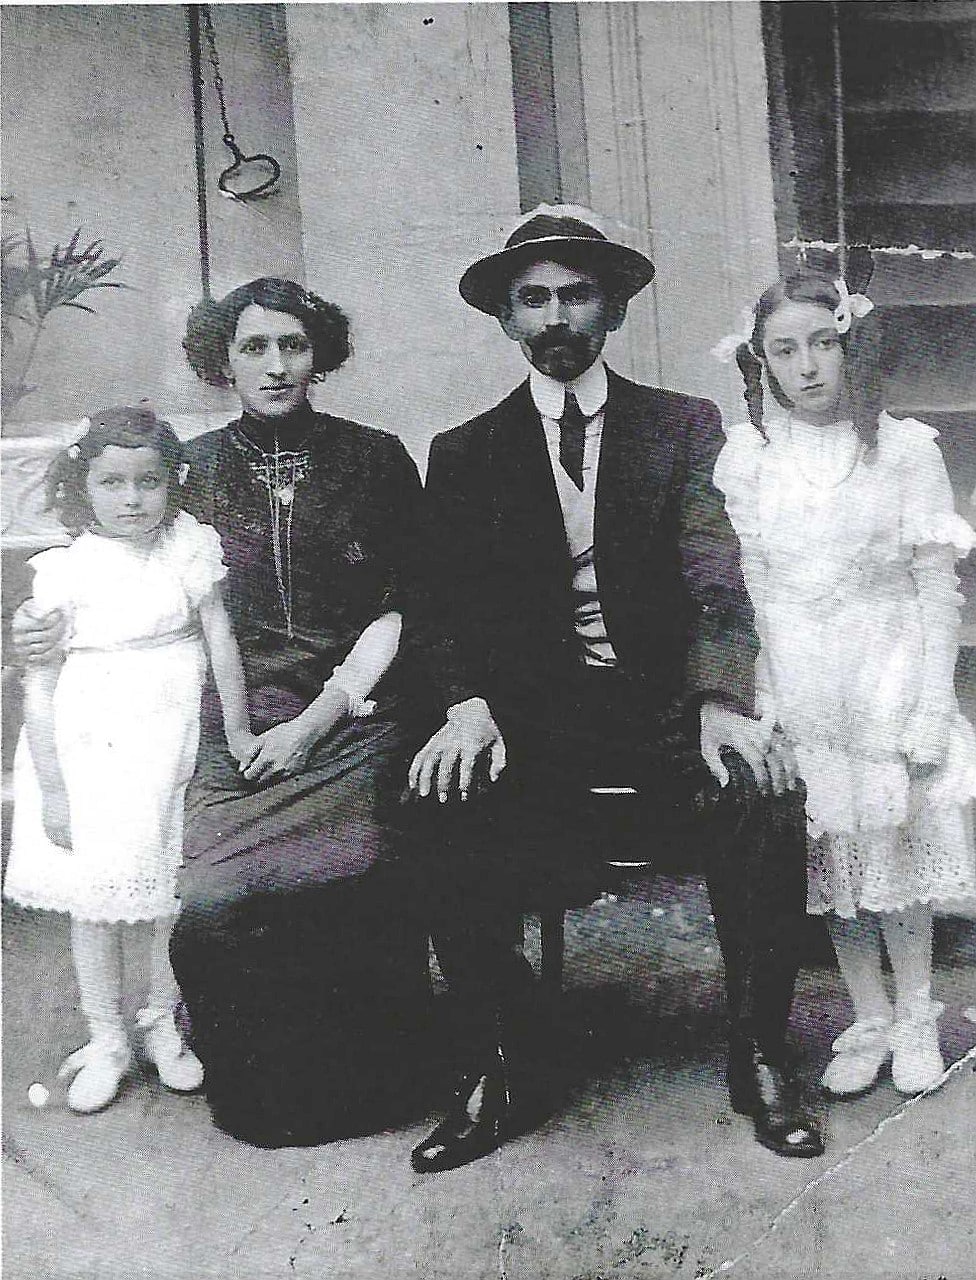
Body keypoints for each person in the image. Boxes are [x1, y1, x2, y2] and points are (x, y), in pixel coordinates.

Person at [406, 205, 824, 1173]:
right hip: (532, 718)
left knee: (765, 786)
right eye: (534, 298)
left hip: (661, 707)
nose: (556, 315)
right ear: (507, 320)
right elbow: (439, 606)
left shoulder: (681, 427)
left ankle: (758, 1052)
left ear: (615, 308)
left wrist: (721, 698)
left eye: (577, 293)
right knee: (433, 798)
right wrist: (466, 701)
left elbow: (715, 574)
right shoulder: (463, 453)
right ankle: (489, 1064)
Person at [12, 278, 430, 1146]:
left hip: (355, 707)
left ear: (321, 354)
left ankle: (382, 1078)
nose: (276, 366)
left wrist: (322, 716)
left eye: (293, 345)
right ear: (222, 361)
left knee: (354, 867)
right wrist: (39, 635)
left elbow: (401, 607)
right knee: (210, 893)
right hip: (233, 717)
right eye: (253, 347)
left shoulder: (376, 455)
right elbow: (118, 570)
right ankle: (264, 1085)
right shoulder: (190, 470)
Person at [713, 268, 976, 1098]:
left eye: (822, 344)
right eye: (784, 352)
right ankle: (866, 1017)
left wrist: (932, 703)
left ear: (848, 345)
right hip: (800, 683)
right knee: (837, 869)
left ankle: (917, 1014)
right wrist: (763, 699)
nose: (808, 367)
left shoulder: (901, 449)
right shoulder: (750, 457)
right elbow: (748, 584)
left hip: (889, 675)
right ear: (762, 364)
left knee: (896, 855)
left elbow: (938, 587)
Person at [4, 404, 246, 1113]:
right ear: (86, 489)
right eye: (113, 483)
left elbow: (220, 642)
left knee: (164, 896)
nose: (133, 499)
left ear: (173, 485)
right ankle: (106, 1037)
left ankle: (161, 1026)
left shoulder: (189, 548)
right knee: (98, 901)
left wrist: (236, 732)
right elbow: (42, 688)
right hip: (92, 749)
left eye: (148, 482)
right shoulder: (64, 572)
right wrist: (51, 787)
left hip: (172, 740)